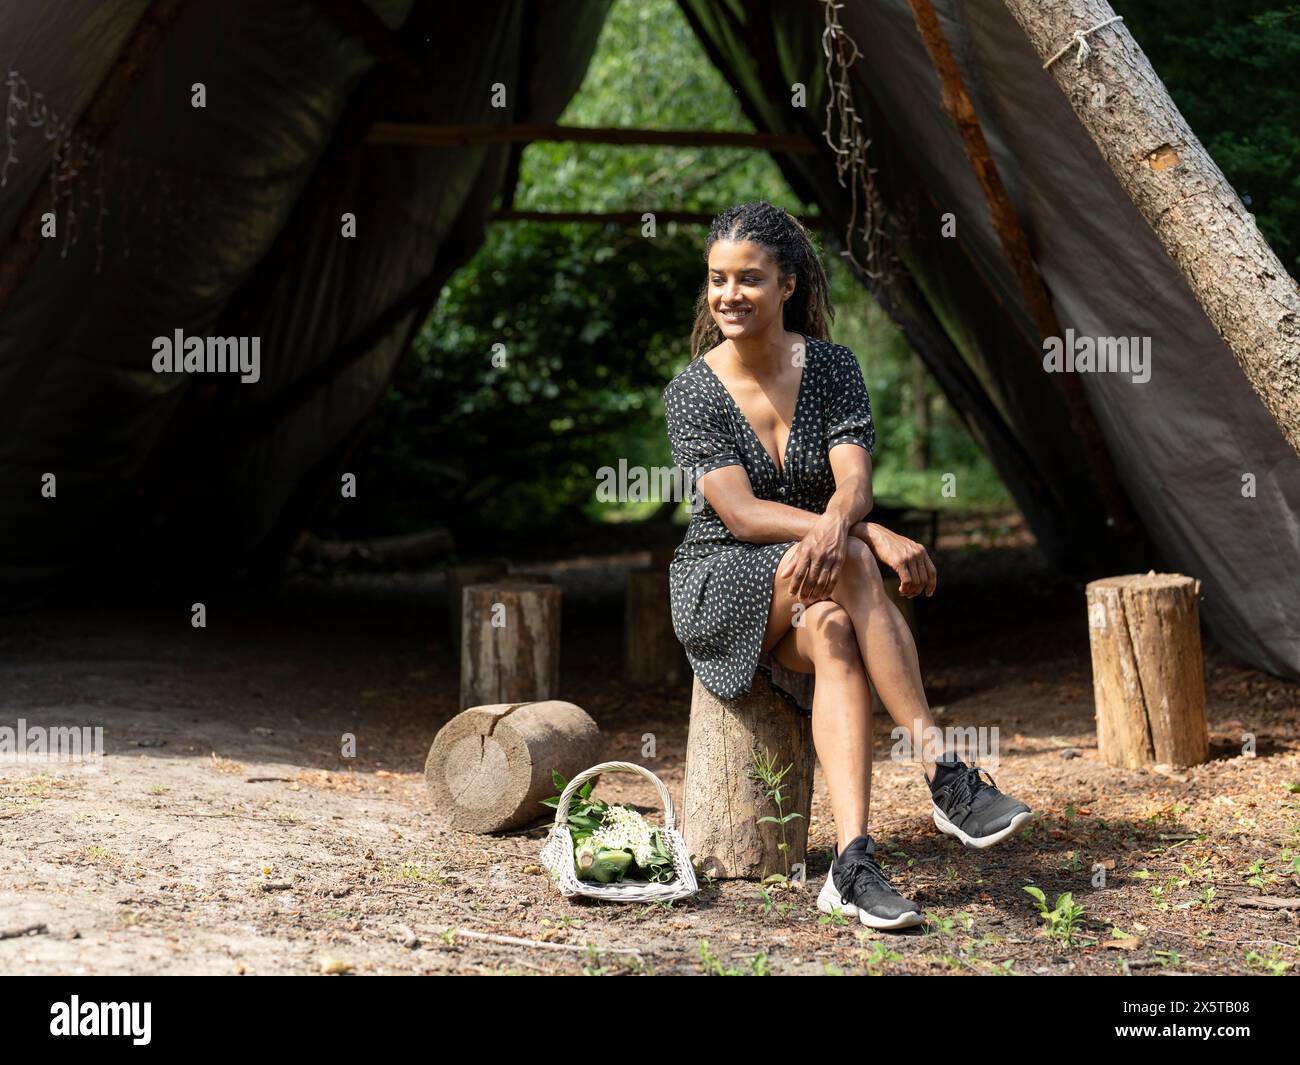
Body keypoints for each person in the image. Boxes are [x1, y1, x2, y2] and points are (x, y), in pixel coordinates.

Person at [663, 201, 1033, 930]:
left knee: (834, 631)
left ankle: (852, 861)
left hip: (812, 586)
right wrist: (871, 537)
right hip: (721, 581)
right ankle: (943, 772)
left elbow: (853, 481)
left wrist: (849, 523)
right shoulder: (693, 390)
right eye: (717, 279)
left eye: (750, 279)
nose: (729, 295)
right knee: (858, 567)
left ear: (788, 284)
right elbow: (738, 514)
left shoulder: (830, 368)